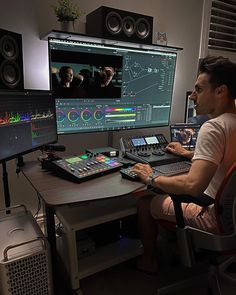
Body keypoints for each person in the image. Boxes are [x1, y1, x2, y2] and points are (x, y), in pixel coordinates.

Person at [132, 56, 236, 273]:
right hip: (233, 214)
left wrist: (151, 177)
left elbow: (192, 186)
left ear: (220, 91)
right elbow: (224, 160)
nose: (193, 97)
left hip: (216, 217)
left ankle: (149, 262)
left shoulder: (214, 127)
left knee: (144, 202)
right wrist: (189, 154)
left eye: (199, 89)